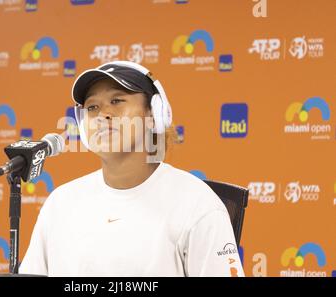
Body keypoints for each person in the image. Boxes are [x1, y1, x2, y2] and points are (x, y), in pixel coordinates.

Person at [19, 61, 244, 276]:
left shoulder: (197, 204)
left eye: (117, 101)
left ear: (154, 114)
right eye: (92, 107)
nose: (102, 114)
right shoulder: (60, 203)